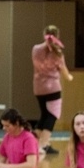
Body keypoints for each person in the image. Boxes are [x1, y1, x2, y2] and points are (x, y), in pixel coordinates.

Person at [31, 26, 73, 155]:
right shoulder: (57, 53)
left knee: (44, 115)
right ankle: (43, 144)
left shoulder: (35, 49)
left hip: (38, 86)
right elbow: (65, 74)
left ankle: (34, 143)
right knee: (52, 115)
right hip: (52, 87)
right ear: (57, 36)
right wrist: (70, 77)